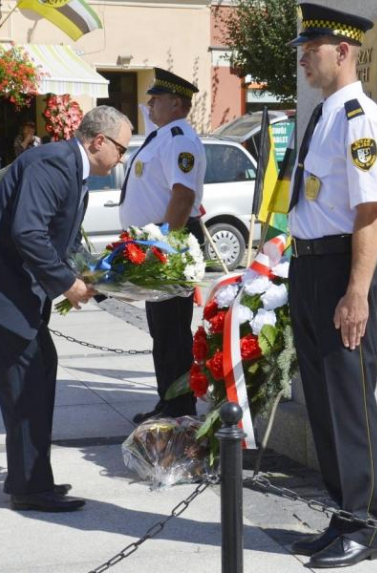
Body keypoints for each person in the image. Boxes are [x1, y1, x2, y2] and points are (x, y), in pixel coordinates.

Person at [0, 106, 133, 512]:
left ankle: (31, 478)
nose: (122, 157)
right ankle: (29, 488)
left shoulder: (70, 168)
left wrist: (90, 277)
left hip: (9, 283)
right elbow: (27, 231)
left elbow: (55, 237)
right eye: (121, 148)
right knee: (26, 378)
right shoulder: (53, 163)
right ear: (99, 141)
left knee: (40, 366)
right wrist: (67, 283)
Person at [285, 4, 377, 568]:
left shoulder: (359, 118)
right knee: (325, 404)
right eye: (302, 49)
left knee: (351, 403)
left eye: (314, 47)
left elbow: (370, 211)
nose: (304, 57)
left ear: (345, 51)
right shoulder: (323, 115)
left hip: (339, 271)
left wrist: (356, 291)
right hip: (310, 267)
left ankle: (369, 525)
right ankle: (344, 515)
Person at [119, 68, 206, 424]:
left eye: (157, 99)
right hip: (155, 241)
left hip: (169, 242)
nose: (149, 103)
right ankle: (167, 400)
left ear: (176, 104)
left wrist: (165, 248)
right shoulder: (162, 136)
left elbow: (182, 197)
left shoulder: (178, 138)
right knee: (161, 328)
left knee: (172, 329)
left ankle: (179, 407)